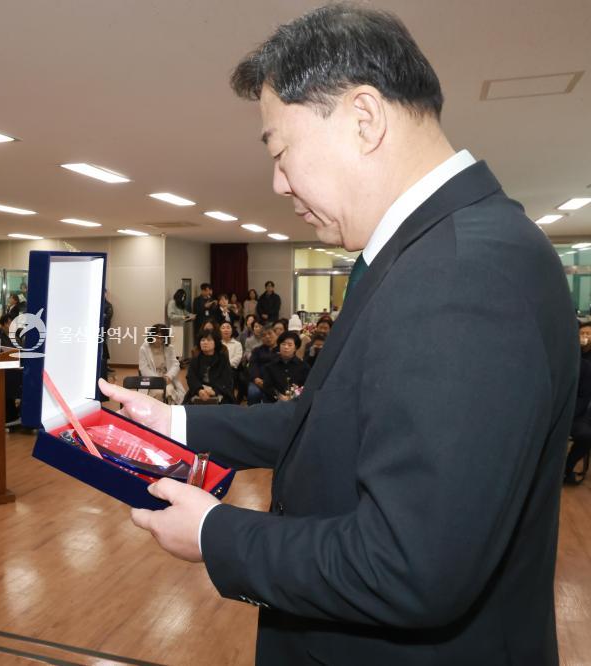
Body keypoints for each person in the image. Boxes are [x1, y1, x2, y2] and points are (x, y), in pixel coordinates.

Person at [97, 5, 575, 664]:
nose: (278, 181)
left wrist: (216, 534)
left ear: (364, 118)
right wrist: (176, 425)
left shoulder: (464, 274)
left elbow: (410, 566)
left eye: (280, 148)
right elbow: (328, 419)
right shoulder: (423, 253)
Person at [565, 321, 591, 484]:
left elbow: (584, 396)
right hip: (550, 414)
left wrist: (569, 414)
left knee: (586, 435)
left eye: (588, 334)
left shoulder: (585, 367)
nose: (585, 337)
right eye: (582, 334)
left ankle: (567, 469)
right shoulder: (559, 362)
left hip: (575, 414)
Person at [138, 324, 186, 404]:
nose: (159, 340)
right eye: (156, 337)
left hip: (167, 378)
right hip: (152, 379)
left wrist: (169, 376)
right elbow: (144, 369)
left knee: (170, 390)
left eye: (162, 338)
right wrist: (158, 380)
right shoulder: (144, 349)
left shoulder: (169, 348)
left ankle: (169, 412)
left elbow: (175, 364)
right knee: (159, 393)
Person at [184, 330, 235, 405]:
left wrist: (215, 391)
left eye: (209, 340)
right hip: (199, 392)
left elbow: (227, 379)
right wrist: (199, 390)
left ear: (215, 342)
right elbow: (191, 378)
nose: (205, 342)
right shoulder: (195, 359)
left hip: (220, 392)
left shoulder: (222, 359)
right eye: (202, 340)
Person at [259, 331, 309, 401]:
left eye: (289, 345)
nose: (286, 347)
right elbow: (267, 386)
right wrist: (278, 395)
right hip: (275, 403)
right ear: (279, 346)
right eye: (283, 344)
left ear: (295, 348)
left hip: (297, 403)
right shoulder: (270, 366)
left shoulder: (304, 366)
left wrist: (295, 395)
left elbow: (307, 386)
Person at [167, 288, 196, 360]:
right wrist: (183, 317)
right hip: (174, 327)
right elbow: (171, 316)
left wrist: (191, 316)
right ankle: (174, 362)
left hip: (180, 327)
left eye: (184, 297)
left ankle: (177, 361)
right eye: (182, 296)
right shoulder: (172, 303)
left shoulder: (180, 305)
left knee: (179, 348)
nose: (183, 298)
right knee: (174, 347)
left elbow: (186, 313)